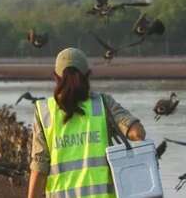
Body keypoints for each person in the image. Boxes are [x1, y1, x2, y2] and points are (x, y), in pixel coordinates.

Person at [27, 48, 146, 198]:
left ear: (56, 78)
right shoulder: (103, 104)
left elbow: (39, 168)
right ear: (88, 75)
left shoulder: (44, 111)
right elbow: (137, 133)